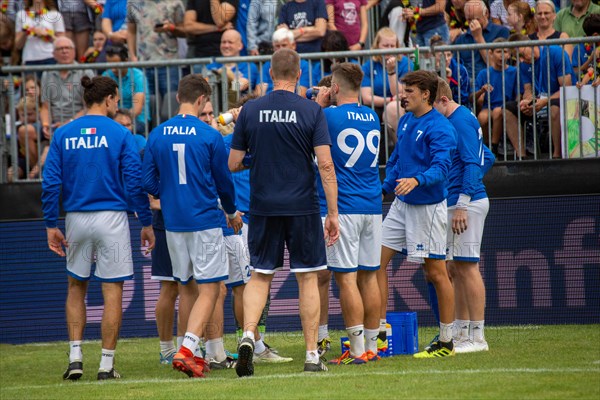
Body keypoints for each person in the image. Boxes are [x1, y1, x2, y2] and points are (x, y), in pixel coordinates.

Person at [228, 48, 339, 375]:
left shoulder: (250, 111)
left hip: (262, 206)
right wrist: (332, 213)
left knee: (260, 275)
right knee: (307, 278)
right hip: (302, 205)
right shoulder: (311, 111)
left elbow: (233, 163)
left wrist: (255, 159)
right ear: (300, 74)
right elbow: (326, 165)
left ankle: (248, 334)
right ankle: (311, 356)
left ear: (270, 73)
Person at [42, 75, 155, 380]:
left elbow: (51, 181)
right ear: (108, 100)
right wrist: (146, 222)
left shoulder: (64, 133)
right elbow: (134, 183)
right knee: (112, 291)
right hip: (112, 219)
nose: (117, 105)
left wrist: (51, 223)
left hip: (76, 217)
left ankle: (75, 358)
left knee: (76, 287)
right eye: (117, 100)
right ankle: (106, 365)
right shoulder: (120, 133)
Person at [142, 74, 243, 379]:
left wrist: (169, 193)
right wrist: (231, 210)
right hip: (203, 220)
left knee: (186, 287)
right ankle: (187, 350)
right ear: (202, 100)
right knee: (210, 289)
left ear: (178, 98)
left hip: (173, 224)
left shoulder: (157, 134)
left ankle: (194, 353)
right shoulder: (209, 135)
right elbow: (225, 183)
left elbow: (147, 182)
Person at [379, 70, 457, 358]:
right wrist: (384, 188)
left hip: (428, 206)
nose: (403, 95)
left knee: (436, 272)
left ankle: (447, 341)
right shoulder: (407, 120)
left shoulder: (440, 127)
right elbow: (397, 159)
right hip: (402, 203)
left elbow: (441, 168)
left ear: (426, 94)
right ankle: (378, 332)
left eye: (409, 90)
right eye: (403, 89)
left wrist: (417, 180)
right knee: (375, 262)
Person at [314, 62, 383, 365]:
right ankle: (371, 346)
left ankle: (356, 350)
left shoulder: (328, 114)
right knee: (369, 277)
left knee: (346, 279)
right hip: (372, 205)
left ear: (335, 88)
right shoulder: (372, 115)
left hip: (345, 208)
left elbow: (309, 135)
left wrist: (318, 102)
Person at [433, 77, 494, 353]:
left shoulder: (459, 121)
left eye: (433, 107)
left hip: (465, 203)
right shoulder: (459, 118)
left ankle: (478, 338)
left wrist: (463, 201)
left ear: (443, 101)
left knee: (467, 267)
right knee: (454, 268)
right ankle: (460, 331)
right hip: (458, 199)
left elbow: (473, 161)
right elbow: (487, 157)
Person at [504, 33, 574, 159]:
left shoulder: (555, 52)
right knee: (508, 109)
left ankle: (557, 155)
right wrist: (528, 101)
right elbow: (527, 89)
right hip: (540, 101)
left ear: (529, 44)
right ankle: (522, 157)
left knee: (554, 107)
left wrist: (544, 101)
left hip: (562, 100)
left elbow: (566, 88)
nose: (521, 60)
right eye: (516, 58)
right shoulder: (524, 65)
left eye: (520, 54)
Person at [127, 0, 186, 98]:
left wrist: (171, 28)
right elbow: (131, 31)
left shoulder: (175, 2)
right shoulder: (133, 3)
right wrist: (132, 56)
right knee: (146, 105)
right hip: (143, 64)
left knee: (171, 102)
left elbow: (185, 31)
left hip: (169, 63)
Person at [40, 37, 94, 136]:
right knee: (26, 131)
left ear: (74, 51)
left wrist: (69, 122)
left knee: (90, 131)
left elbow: (89, 107)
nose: (64, 51)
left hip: (80, 123)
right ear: (53, 54)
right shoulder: (47, 74)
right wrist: (46, 125)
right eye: (60, 49)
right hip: (55, 125)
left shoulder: (85, 72)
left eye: (67, 48)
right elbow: (45, 107)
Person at [474, 38, 518, 154]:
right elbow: (471, 97)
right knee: (482, 118)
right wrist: (481, 91)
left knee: (498, 112)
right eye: (498, 51)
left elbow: (519, 94)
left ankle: (494, 147)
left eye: (505, 51)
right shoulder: (484, 73)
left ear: (509, 54)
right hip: (488, 107)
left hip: (507, 107)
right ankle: (486, 146)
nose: (502, 55)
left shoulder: (514, 72)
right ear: (491, 53)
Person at [453, 0, 510, 78]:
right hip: (469, 84)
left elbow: (495, 66)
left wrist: (478, 38)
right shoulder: (461, 40)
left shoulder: (501, 32)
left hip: (493, 80)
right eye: (469, 20)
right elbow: (456, 68)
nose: (473, 22)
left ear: (486, 13)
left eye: (477, 19)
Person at [102, 43, 150, 134]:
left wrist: (120, 120)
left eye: (116, 64)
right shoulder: (106, 75)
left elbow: (137, 109)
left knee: (120, 129)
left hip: (136, 120)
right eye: (110, 64)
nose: (113, 69)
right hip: (112, 119)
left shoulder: (138, 76)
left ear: (126, 60)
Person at [254, 27, 312, 97]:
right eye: (277, 46)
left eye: (284, 45)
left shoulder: (304, 65)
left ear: (293, 45)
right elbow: (259, 93)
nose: (280, 49)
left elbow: (302, 94)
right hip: (269, 103)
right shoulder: (267, 65)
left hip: (293, 104)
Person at [14, 0, 65, 68]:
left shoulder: (55, 14)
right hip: (29, 59)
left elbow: (63, 43)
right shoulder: (21, 15)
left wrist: (48, 35)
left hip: (50, 58)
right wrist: (26, 33)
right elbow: (18, 46)